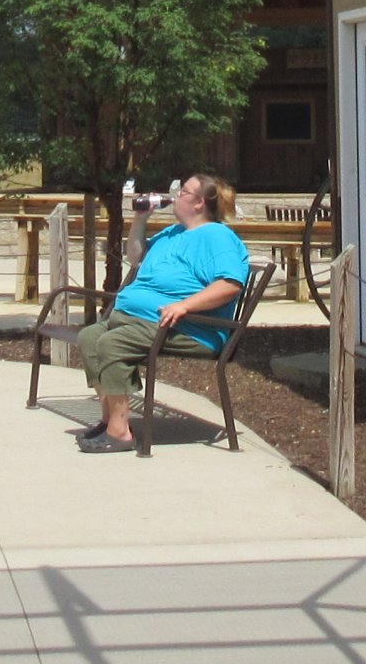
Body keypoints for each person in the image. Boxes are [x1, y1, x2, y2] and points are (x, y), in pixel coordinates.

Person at [72, 171, 250, 454]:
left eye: (183, 192)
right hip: (143, 320)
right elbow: (136, 257)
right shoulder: (172, 233)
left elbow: (230, 284)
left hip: (191, 327)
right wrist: (141, 219)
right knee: (90, 337)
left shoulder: (217, 237)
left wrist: (184, 305)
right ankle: (110, 421)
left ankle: (120, 433)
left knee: (111, 344)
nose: (175, 195)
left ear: (199, 204)